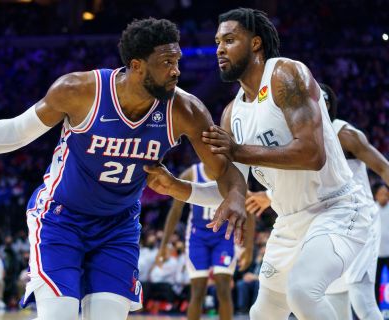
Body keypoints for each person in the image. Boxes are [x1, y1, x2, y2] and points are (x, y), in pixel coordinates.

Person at [0, 18, 247, 320]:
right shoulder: (79, 91)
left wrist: (230, 195)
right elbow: (18, 130)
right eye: (166, 63)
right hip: (60, 221)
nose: (176, 71)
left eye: (177, 62)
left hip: (118, 229)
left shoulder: (186, 110)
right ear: (136, 66)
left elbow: (227, 175)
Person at [143, 8, 373, 320]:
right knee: (263, 313)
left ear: (255, 43)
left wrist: (238, 151)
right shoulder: (231, 113)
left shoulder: (285, 74)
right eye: (217, 42)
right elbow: (234, 192)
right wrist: (177, 187)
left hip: (338, 208)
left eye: (229, 40)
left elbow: (312, 154)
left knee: (303, 292)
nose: (220, 49)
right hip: (291, 221)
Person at [247, 83, 389, 320]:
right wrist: (269, 196)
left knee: (361, 298)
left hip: (356, 219)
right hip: (325, 222)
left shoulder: (344, 133)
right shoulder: (299, 139)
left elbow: (383, 168)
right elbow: (308, 185)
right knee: (329, 297)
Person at [156, 162, 254, 320]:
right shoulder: (191, 174)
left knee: (223, 288)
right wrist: (164, 245)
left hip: (224, 238)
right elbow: (175, 211)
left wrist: (248, 247)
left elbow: (249, 208)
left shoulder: (234, 173)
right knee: (198, 291)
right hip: (197, 238)